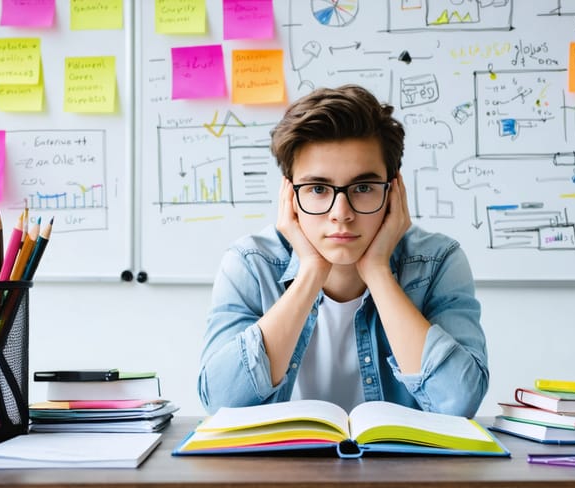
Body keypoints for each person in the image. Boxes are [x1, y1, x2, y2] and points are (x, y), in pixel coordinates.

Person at [198, 85, 488, 417]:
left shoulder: (438, 261)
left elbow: (459, 402)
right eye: (318, 189)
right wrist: (310, 271)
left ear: (394, 192)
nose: (341, 212)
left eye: (363, 188)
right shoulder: (251, 264)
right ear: (290, 197)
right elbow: (219, 403)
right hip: (279, 468)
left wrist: (378, 271)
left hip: (403, 469)